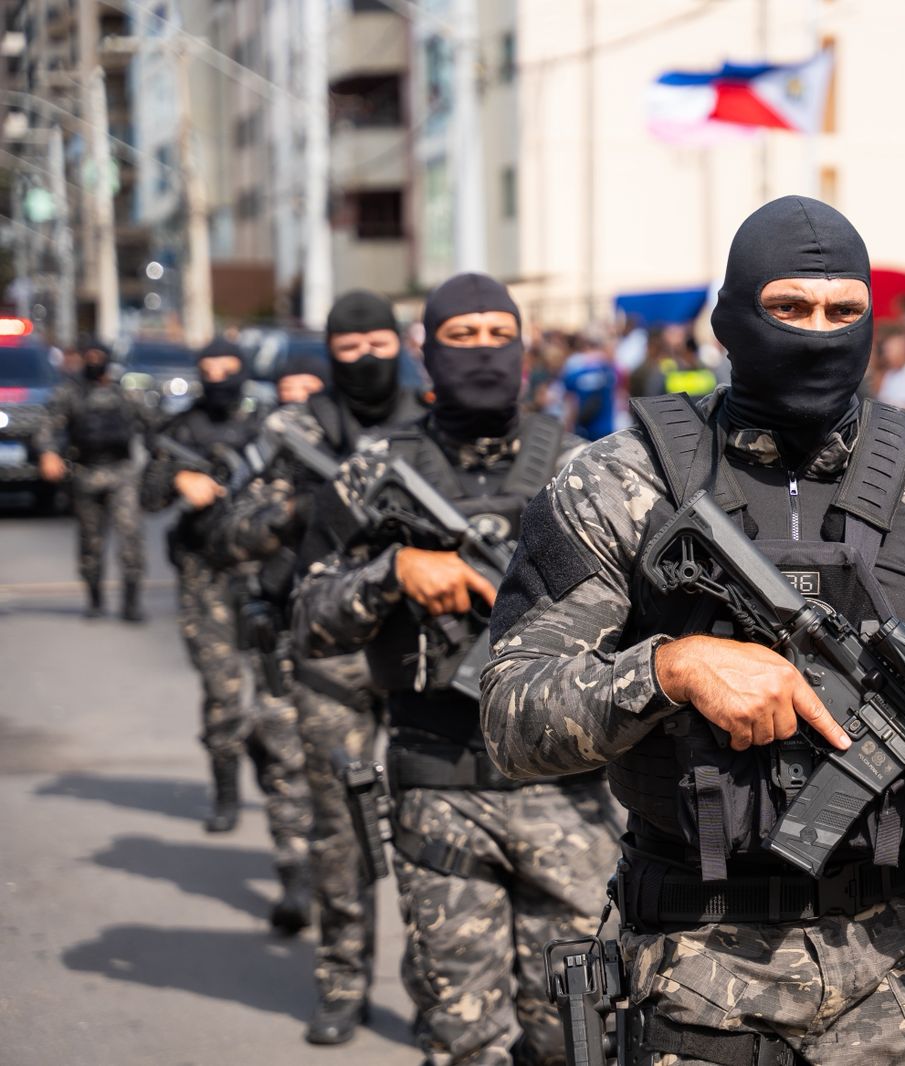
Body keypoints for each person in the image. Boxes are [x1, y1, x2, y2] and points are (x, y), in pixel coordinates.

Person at [479, 196, 905, 1065]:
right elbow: (511, 715)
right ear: (731, 321)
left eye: (844, 311)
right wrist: (672, 667)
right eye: (790, 309)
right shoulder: (619, 487)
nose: (819, 333)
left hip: (896, 984)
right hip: (690, 972)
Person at [291, 274, 619, 1065]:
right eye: (459, 337)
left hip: (567, 794)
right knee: (460, 1035)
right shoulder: (376, 469)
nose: (480, 353)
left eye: (495, 335)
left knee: (577, 1037)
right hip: (437, 786)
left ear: (523, 345)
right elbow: (306, 615)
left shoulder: (585, 467)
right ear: (426, 353)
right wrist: (393, 573)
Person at [210, 290, 427, 1045]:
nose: (367, 358)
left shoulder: (431, 417)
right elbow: (230, 535)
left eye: (380, 343)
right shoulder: (298, 430)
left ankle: (441, 990)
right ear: (328, 354)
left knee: (435, 830)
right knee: (340, 829)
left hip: (428, 651)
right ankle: (342, 979)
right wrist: (307, 512)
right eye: (350, 347)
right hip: (329, 656)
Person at [140, 337, 313, 932]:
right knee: (222, 694)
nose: (218, 379)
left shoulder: (267, 427)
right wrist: (180, 485)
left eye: (227, 370)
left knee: (276, 702)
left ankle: (278, 793)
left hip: (267, 581)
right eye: (208, 370)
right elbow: (147, 496)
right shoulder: (177, 430)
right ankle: (223, 789)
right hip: (205, 578)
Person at [35, 338, 151, 620]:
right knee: (91, 541)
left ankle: (131, 602)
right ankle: (95, 599)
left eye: (100, 355)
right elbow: (47, 427)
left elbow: (154, 427)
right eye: (90, 355)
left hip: (122, 473)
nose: (95, 360)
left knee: (130, 536)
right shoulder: (70, 393)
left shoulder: (125, 394)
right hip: (86, 474)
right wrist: (48, 453)